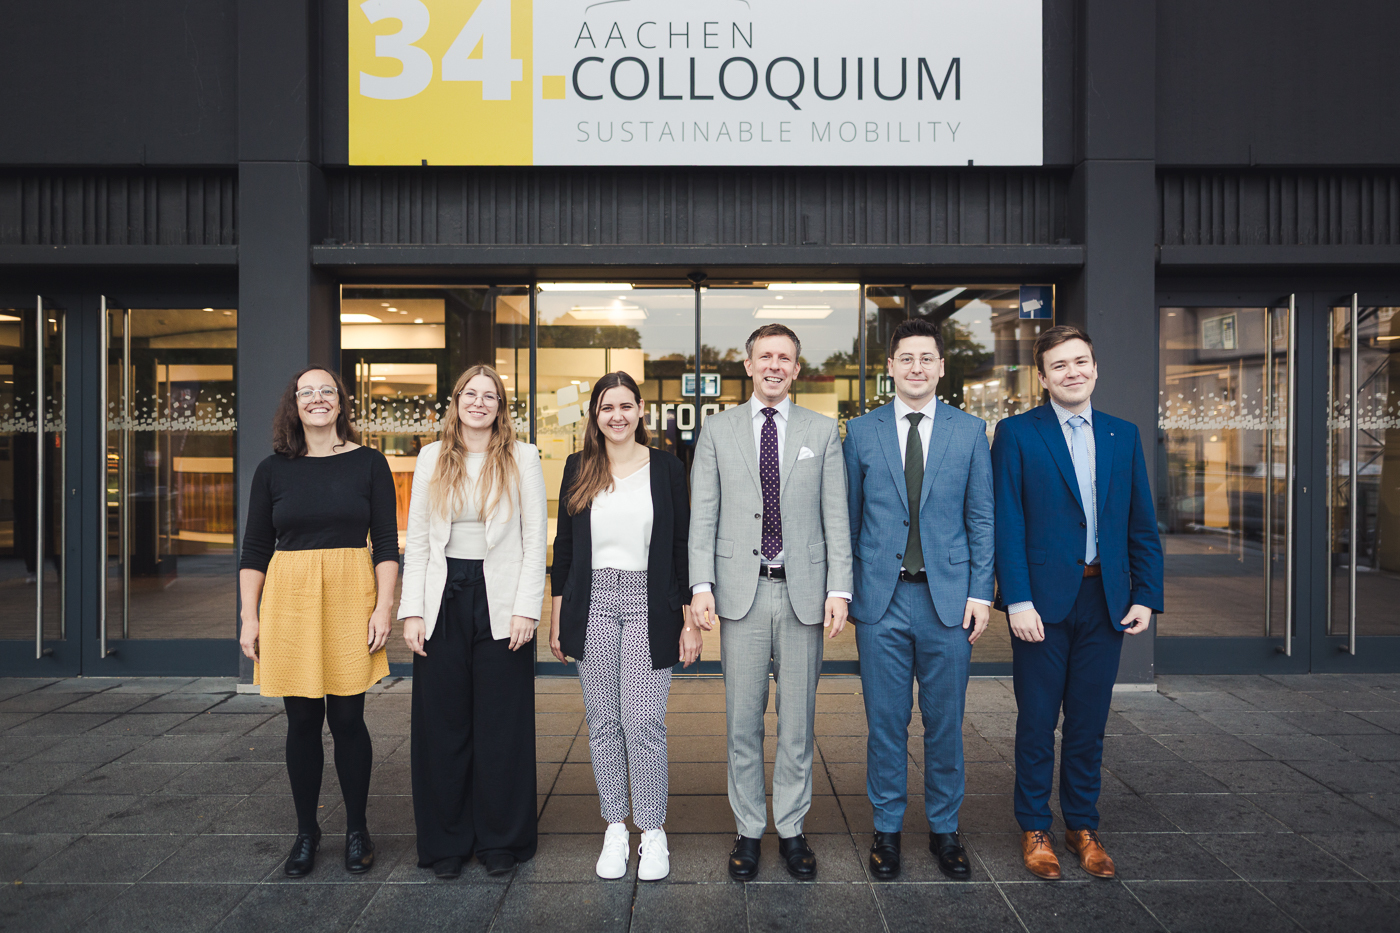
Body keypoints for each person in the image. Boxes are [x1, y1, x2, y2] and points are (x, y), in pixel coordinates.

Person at [991, 324, 1164, 880]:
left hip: (1106, 600)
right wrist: (1015, 599)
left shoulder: (1122, 434)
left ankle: (1082, 826)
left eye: (1081, 362)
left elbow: (1141, 522)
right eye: (1060, 365)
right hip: (1040, 603)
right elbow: (1007, 524)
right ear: (1042, 377)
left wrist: (1146, 594)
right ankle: (1035, 827)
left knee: (1089, 722)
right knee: (1038, 721)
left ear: (1095, 368)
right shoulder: (1017, 434)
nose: (1072, 372)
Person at [688, 323, 853, 882]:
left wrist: (839, 590)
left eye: (785, 357)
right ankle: (748, 829)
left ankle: (792, 828)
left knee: (799, 723)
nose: (775, 365)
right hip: (742, 595)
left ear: (797, 368)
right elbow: (702, 517)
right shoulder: (717, 430)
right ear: (749, 363)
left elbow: (837, 518)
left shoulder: (823, 431)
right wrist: (701, 586)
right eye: (766, 356)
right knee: (742, 722)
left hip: (804, 594)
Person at [843, 317, 994, 881]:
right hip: (881, 603)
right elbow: (850, 521)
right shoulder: (861, 432)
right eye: (905, 358)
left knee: (944, 722)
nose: (916, 367)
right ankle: (886, 831)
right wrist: (847, 591)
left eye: (926, 358)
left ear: (940, 367)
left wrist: (982, 591)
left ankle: (945, 830)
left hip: (948, 602)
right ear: (890, 367)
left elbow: (982, 518)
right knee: (885, 724)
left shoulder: (970, 431)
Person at [238, 367, 397, 877]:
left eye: (327, 391)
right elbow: (255, 550)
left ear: (341, 403)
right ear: (295, 405)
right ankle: (306, 833)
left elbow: (388, 544)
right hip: (289, 601)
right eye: (307, 393)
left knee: (348, 719)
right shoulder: (272, 470)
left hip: (352, 597)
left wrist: (385, 606)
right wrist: (248, 616)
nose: (317, 399)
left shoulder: (370, 464)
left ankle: (357, 829)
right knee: (302, 720)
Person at [549, 371, 698, 883]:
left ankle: (652, 832)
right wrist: (557, 617)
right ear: (595, 414)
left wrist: (688, 620)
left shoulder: (667, 468)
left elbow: (679, 546)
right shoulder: (578, 467)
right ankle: (616, 826)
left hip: (649, 600)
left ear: (640, 411)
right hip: (591, 601)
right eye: (606, 407)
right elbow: (564, 549)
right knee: (603, 722)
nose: (617, 415)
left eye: (625, 406)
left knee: (643, 723)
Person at [399, 365, 546, 879]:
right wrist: (412, 611)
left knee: (501, 725)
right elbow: (417, 540)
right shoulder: (430, 458)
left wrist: (527, 607)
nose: (479, 403)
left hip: (501, 599)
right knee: (443, 725)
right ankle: (446, 843)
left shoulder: (523, 457)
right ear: (456, 401)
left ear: (501, 407)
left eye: (490, 396)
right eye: (471, 394)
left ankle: (501, 839)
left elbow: (534, 540)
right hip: (443, 597)